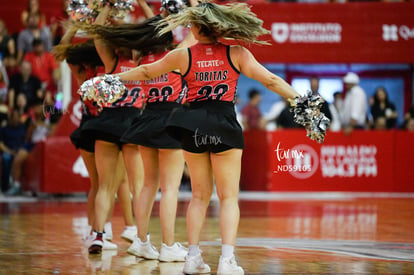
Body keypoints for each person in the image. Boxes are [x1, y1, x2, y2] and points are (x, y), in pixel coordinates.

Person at [106, 2, 301, 274]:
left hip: (193, 125)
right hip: (224, 125)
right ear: (219, 27)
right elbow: (270, 80)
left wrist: (111, 80)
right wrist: (300, 100)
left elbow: (146, 72)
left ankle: (192, 258)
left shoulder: (183, 55)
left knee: (199, 196)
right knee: (229, 197)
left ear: (196, 28)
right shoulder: (237, 53)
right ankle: (226, 261)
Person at [119, 0, 194, 262]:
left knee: (148, 185)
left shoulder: (143, 58)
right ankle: (169, 246)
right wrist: (193, 4)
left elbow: (153, 28)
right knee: (170, 188)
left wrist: (150, 9)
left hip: (146, 117)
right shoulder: (176, 55)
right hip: (170, 119)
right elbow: (197, 30)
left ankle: (140, 241)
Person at [53, 27, 136, 250]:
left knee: (98, 185)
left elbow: (63, 52)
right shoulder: (110, 67)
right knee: (120, 182)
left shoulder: (83, 73)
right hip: (114, 125)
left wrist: (75, 27)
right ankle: (130, 228)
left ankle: (97, 232)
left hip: (89, 129)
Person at [0, 109, 26, 193]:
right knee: (6, 158)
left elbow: (26, 141)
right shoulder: (4, 128)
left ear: (19, 118)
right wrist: (10, 151)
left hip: (20, 151)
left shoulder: (23, 127)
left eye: (16, 117)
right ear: (10, 118)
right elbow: (1, 144)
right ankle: (5, 185)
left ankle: (20, 185)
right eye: (13, 117)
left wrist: (20, 151)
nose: (15, 119)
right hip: (8, 151)